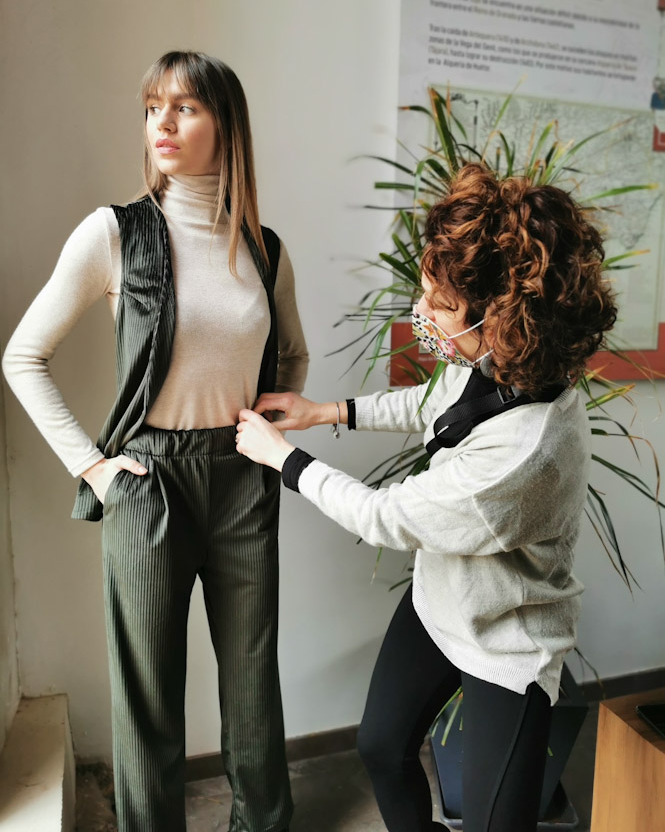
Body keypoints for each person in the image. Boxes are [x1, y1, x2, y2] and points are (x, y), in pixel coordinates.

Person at [235, 162, 617, 832]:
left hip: (506, 642)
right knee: (380, 747)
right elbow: (435, 401)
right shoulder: (498, 361)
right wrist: (326, 409)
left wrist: (283, 459)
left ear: (501, 317)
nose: (419, 312)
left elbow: (384, 515)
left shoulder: (525, 452)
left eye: (437, 304)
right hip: (438, 605)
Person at [2, 50, 308, 832]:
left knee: (251, 684)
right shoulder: (116, 233)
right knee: (148, 697)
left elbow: (290, 354)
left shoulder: (264, 249)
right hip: (148, 478)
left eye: (185, 107)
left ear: (225, 125)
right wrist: (96, 467)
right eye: (151, 107)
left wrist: (269, 422)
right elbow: (22, 355)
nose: (162, 124)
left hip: (241, 475)